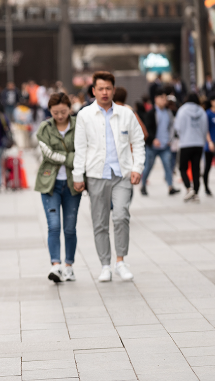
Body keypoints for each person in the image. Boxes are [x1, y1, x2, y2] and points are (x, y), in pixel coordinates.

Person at [73, 71, 145, 282]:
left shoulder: (126, 114)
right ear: (93, 90)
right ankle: (105, 265)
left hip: (122, 173)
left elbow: (139, 142)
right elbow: (80, 147)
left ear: (114, 90)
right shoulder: (85, 115)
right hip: (96, 175)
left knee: (121, 215)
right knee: (100, 222)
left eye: (108, 88)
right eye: (100, 89)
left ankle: (121, 261)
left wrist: (137, 167)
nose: (104, 92)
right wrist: (79, 175)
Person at [35, 93, 82, 283]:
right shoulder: (44, 128)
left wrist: (72, 158)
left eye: (63, 112)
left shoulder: (80, 125)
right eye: (55, 113)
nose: (60, 116)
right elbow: (48, 154)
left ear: (70, 109)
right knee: (53, 226)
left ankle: (69, 266)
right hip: (50, 183)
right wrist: (71, 158)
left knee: (70, 228)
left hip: (72, 183)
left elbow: (84, 150)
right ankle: (56, 265)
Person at [140, 88, 180, 196]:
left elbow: (172, 127)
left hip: (165, 145)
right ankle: (143, 185)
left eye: (165, 98)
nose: (164, 101)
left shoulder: (168, 112)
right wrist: (153, 140)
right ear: (156, 99)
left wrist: (170, 140)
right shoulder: (151, 113)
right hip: (152, 146)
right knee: (148, 166)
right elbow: (147, 128)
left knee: (168, 166)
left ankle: (170, 187)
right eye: (161, 98)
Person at [174, 93, 208, 202]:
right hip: (198, 143)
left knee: (182, 167)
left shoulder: (182, 110)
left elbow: (178, 127)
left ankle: (189, 188)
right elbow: (204, 128)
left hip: (185, 143)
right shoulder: (202, 111)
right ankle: (196, 192)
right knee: (196, 168)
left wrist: (183, 136)